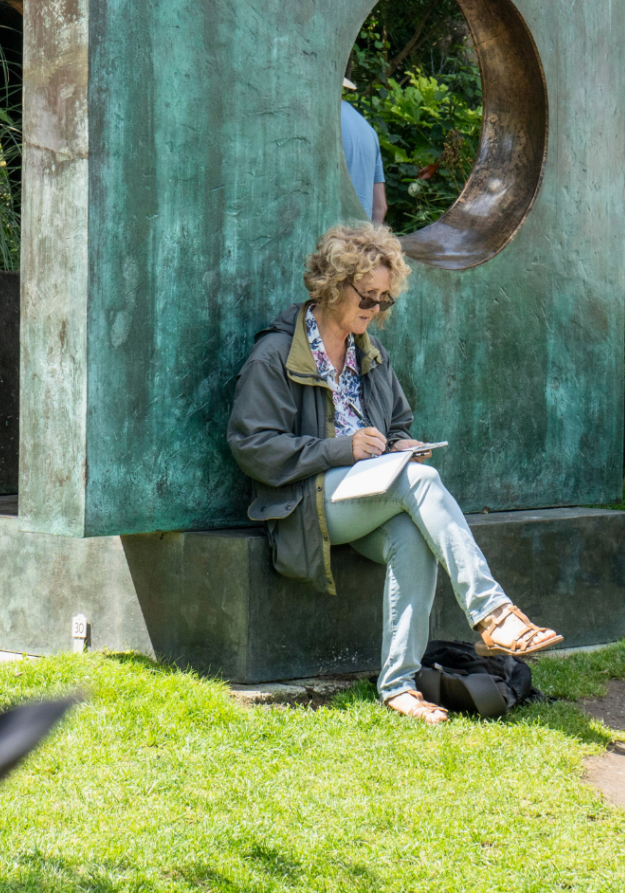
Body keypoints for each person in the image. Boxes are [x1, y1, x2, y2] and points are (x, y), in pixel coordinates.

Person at [227, 223, 562, 723]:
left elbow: (398, 422)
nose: (376, 309)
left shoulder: (370, 353)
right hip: (305, 504)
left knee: (412, 535)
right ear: (334, 284)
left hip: (365, 497)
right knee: (421, 483)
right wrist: (341, 449)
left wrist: (403, 444)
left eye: (385, 300)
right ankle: (492, 613)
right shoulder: (276, 354)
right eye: (368, 296)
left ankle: (399, 686)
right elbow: (252, 446)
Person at [340, 78, 387, 224]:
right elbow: (379, 207)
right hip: (359, 240)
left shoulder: (315, 121)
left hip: (326, 243)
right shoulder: (368, 129)